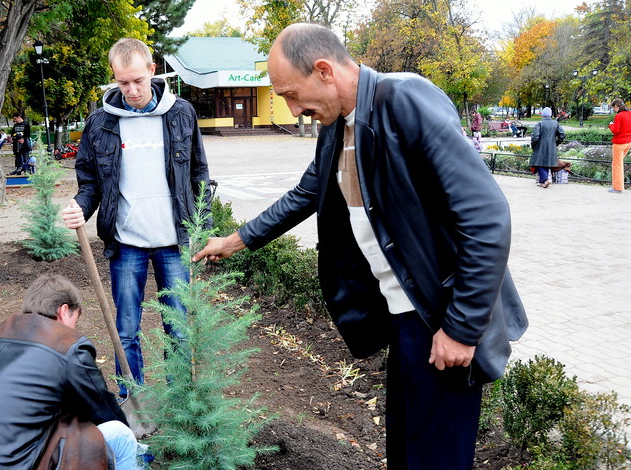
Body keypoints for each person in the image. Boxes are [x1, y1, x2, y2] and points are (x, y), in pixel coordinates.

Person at [191, 23, 527, 469]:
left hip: (439, 316)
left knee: (436, 459)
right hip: (405, 319)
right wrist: (236, 240)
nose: (293, 110)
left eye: (293, 94)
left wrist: (462, 328)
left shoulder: (405, 101)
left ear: (325, 71)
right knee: (406, 455)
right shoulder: (337, 122)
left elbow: (488, 216)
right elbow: (309, 192)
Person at [60, 37, 210, 400]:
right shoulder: (100, 122)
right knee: (125, 329)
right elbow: (91, 182)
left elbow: (199, 174)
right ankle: (134, 402)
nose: (131, 90)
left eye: (138, 81)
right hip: (126, 242)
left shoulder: (181, 113)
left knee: (178, 328)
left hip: (174, 242)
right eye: (122, 82)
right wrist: (80, 205)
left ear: (152, 72)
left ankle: (179, 403)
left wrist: (202, 229)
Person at [0, 274, 142, 470]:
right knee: (121, 437)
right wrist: (135, 438)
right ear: (63, 310)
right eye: (74, 321)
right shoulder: (67, 345)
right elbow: (103, 411)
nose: (74, 330)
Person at [530, 107, 566, 188]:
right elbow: (562, 134)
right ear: (550, 115)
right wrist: (556, 142)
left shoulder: (539, 124)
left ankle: (545, 180)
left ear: (542, 115)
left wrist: (533, 145)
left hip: (540, 146)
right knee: (546, 163)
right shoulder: (555, 123)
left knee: (538, 163)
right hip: (551, 146)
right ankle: (542, 181)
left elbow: (535, 137)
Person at [608, 98, 631, 194]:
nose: (613, 110)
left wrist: (611, 125)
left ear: (616, 106)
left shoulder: (619, 116)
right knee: (617, 164)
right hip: (628, 142)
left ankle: (618, 187)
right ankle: (616, 185)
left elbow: (616, 130)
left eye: (613, 108)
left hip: (619, 143)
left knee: (617, 165)